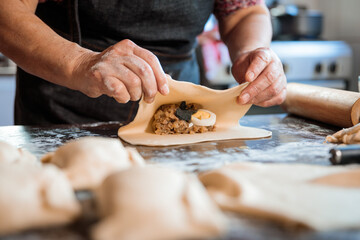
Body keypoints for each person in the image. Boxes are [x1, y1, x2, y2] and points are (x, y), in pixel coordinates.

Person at [0, 0, 286, 126]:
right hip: (67, 113)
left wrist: (252, 50)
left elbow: (243, 11)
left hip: (179, 115)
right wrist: (80, 63)